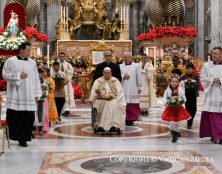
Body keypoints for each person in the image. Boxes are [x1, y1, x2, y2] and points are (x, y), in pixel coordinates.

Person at [2, 42, 42, 147]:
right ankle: (13, 135)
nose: (30, 52)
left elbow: (36, 79)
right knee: (15, 117)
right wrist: (19, 76)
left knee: (28, 118)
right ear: (21, 50)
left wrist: (37, 92)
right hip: (16, 94)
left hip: (29, 94)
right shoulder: (10, 61)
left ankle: (23, 139)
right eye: (28, 50)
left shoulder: (32, 63)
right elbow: (5, 75)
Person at [90, 67, 126, 133]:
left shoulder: (115, 81)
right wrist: (97, 96)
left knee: (113, 104)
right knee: (107, 104)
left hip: (114, 100)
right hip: (100, 100)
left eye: (108, 73)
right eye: (105, 73)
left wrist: (114, 98)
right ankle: (100, 125)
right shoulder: (98, 81)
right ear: (103, 73)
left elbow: (120, 93)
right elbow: (93, 93)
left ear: (111, 73)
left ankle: (114, 125)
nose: (107, 74)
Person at [199, 46, 222, 144]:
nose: (213, 55)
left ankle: (219, 136)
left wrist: (220, 80)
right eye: (212, 53)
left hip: (220, 92)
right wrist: (212, 80)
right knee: (212, 115)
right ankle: (215, 135)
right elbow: (202, 77)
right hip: (212, 92)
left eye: (216, 53)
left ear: (221, 54)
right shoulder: (207, 65)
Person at [162, 73, 190, 143]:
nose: (174, 83)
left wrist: (180, 102)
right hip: (170, 108)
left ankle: (177, 131)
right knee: (172, 121)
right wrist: (166, 102)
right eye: (173, 82)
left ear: (178, 82)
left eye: (176, 82)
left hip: (178, 108)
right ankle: (174, 133)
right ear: (170, 82)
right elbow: (164, 98)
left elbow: (184, 98)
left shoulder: (180, 90)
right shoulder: (168, 90)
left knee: (178, 122)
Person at [120, 52, 142, 126]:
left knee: (132, 104)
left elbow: (139, 77)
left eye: (127, 57)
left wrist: (140, 87)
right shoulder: (120, 66)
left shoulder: (136, 66)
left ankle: (131, 119)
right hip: (124, 87)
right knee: (124, 104)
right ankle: (125, 118)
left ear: (131, 58)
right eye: (124, 57)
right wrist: (123, 76)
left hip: (133, 87)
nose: (125, 59)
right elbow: (118, 76)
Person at [180, 62, 199, 129]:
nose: (189, 70)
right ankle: (189, 121)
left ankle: (191, 119)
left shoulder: (196, 77)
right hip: (186, 95)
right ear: (185, 69)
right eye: (187, 69)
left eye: (190, 69)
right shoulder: (183, 77)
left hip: (193, 94)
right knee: (187, 108)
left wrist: (192, 83)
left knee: (194, 108)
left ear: (193, 69)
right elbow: (180, 86)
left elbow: (198, 86)